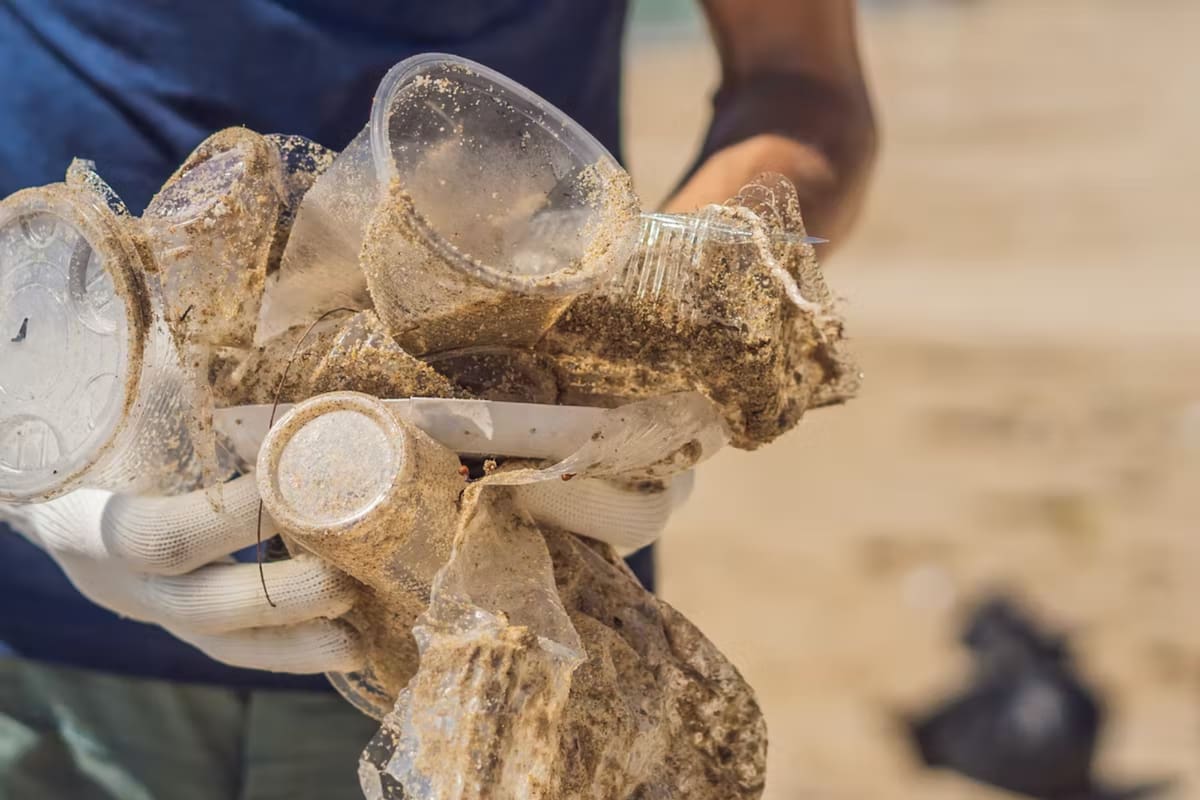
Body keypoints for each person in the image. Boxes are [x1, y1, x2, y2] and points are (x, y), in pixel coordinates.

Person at [0, 1, 876, 797]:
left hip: (516, 615)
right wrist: (28, 471)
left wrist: (653, 322)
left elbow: (799, 76)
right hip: (39, 643)